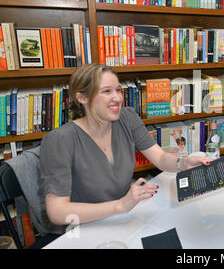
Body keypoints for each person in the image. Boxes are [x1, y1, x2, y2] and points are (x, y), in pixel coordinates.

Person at [39, 63, 212, 226]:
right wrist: (120, 205)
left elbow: (159, 157)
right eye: (107, 91)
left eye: (118, 90)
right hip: (85, 227)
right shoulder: (59, 140)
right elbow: (57, 212)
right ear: (82, 97)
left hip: (124, 217)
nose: (117, 98)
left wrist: (183, 163)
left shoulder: (127, 118)